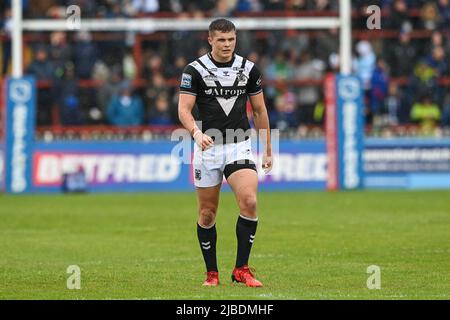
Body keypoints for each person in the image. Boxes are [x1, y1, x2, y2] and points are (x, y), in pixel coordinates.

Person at [178, 19, 272, 287]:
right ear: (210, 40)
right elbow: (184, 110)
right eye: (221, 40)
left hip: (238, 144)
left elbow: (260, 111)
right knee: (207, 214)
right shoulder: (194, 70)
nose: (227, 44)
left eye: (231, 39)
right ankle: (212, 273)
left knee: (249, 201)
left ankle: (241, 269)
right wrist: (196, 133)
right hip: (208, 147)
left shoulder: (248, 69)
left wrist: (267, 148)